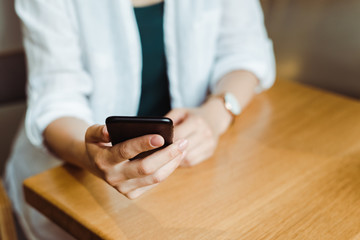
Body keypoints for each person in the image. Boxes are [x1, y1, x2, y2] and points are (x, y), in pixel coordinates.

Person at [4, 0, 276, 239]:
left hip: (193, 178)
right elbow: (57, 99)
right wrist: (91, 156)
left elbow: (245, 52)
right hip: (73, 178)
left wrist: (215, 115)